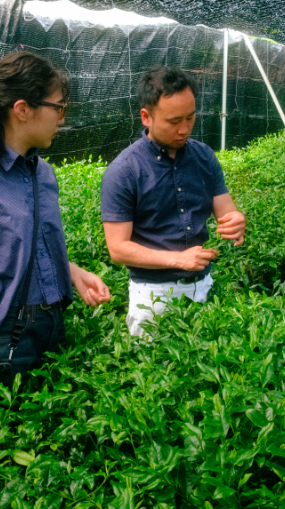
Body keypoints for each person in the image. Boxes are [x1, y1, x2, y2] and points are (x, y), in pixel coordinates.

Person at [0, 51, 111, 411]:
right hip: (2, 340)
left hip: (51, 330)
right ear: (22, 109)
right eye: (58, 108)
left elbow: (30, 247)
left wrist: (73, 273)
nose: (62, 119)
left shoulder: (43, 173)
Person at [100, 65, 246, 338]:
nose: (184, 129)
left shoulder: (204, 157)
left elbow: (227, 212)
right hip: (152, 296)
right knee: (154, 375)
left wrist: (236, 221)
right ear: (146, 117)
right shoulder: (123, 171)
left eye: (190, 118)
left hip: (203, 285)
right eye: (173, 121)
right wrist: (179, 259)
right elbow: (118, 249)